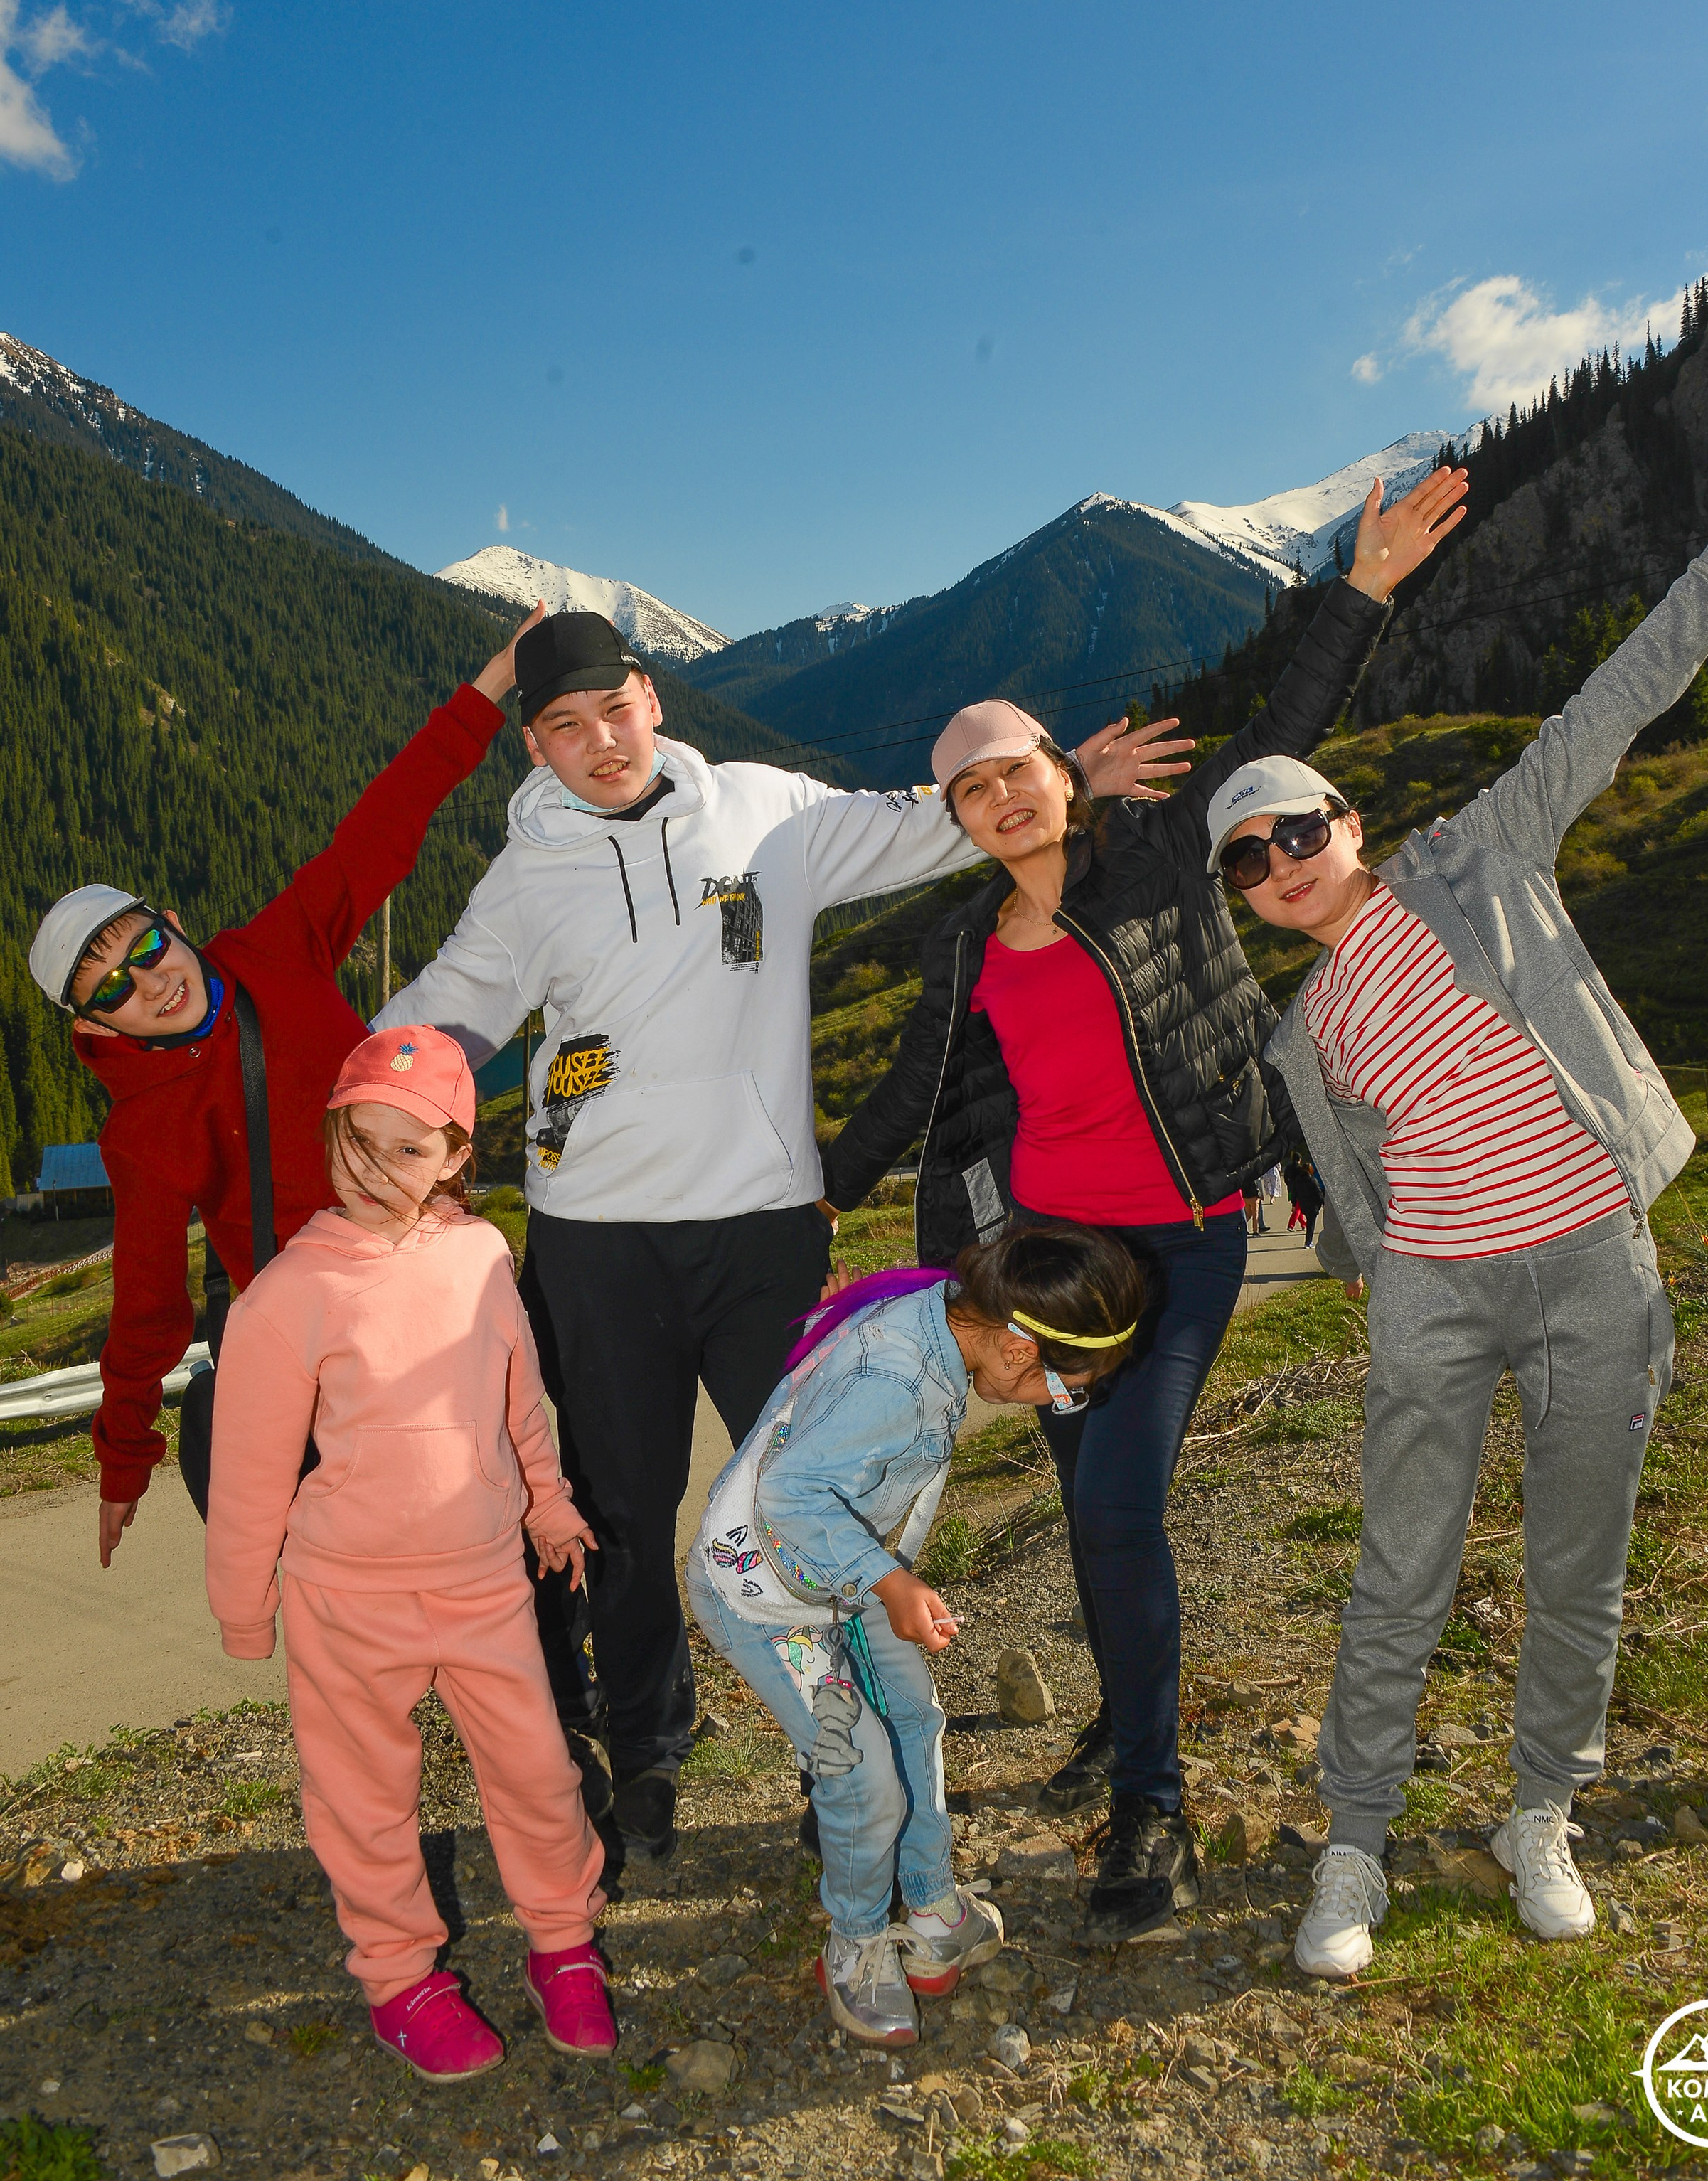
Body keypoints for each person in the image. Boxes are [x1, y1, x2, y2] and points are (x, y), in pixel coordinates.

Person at [373, 607, 1177, 1867]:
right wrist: (374, 1094)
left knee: (820, 1496)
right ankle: (646, 1745)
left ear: (652, 696)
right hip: (597, 1238)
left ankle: (840, 1748)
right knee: (619, 1511)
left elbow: (928, 821)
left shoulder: (767, 813)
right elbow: (452, 1011)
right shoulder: (527, 877)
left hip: (761, 1224)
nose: (601, 745)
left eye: (615, 711)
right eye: (565, 730)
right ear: (534, 748)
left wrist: (1062, 776)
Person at [821, 467, 1468, 1944]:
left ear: (1064, 771)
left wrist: (1359, 591)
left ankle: (1152, 1808)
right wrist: (809, 1190)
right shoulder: (964, 947)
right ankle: (1123, 1727)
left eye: (1016, 770)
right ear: (961, 819)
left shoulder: (1164, 856)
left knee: (1116, 1498)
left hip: (1179, 1244)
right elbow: (900, 1098)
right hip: (1047, 1266)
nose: (999, 797)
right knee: (1083, 1499)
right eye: (969, 789)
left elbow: (1277, 735)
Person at [1207, 421, 1708, 1981]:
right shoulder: (1293, 1031)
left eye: (1296, 831)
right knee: (1396, 1571)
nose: (1277, 863)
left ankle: (1537, 1814)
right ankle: (1351, 1850)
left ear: (1348, 825)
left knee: (1576, 1565)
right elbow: (1338, 1184)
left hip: (1591, 1270)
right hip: (1430, 1296)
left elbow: (1614, 701)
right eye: (1244, 862)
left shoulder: (1478, 856)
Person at [26, 603, 543, 1567]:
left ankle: (555, 1688)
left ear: (172, 921)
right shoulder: (141, 1130)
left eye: (144, 947)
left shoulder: (279, 951)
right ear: (94, 1026)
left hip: (429, 1286)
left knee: (498, 1514)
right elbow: (148, 1310)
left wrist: (489, 689)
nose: (150, 980)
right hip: (316, 1348)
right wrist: (123, 1461)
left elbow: (382, 829)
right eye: (113, 989)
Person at [205, 1026, 618, 2081]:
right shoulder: (289, 1291)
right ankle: (399, 1978)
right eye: (361, 1141)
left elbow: (520, 1396)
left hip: (482, 1577)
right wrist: (246, 1608)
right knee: (362, 1793)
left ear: (455, 1159)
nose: (379, 1170)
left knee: (535, 1767)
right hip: (346, 1595)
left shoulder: (481, 1255)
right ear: (332, 1132)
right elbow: (250, 1467)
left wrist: (549, 1504)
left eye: (411, 1149)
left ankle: (563, 1941)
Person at [688, 1222, 1148, 2046]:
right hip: (766, 1589)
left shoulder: (944, 1321)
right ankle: (858, 1942)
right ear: (1016, 1348)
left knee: (914, 1721)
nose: (1063, 1404)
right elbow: (791, 1496)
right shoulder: (896, 1379)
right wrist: (891, 1582)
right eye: (1068, 1387)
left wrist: (882, 1578)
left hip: (848, 1569)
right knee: (862, 1778)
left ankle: (932, 1908)